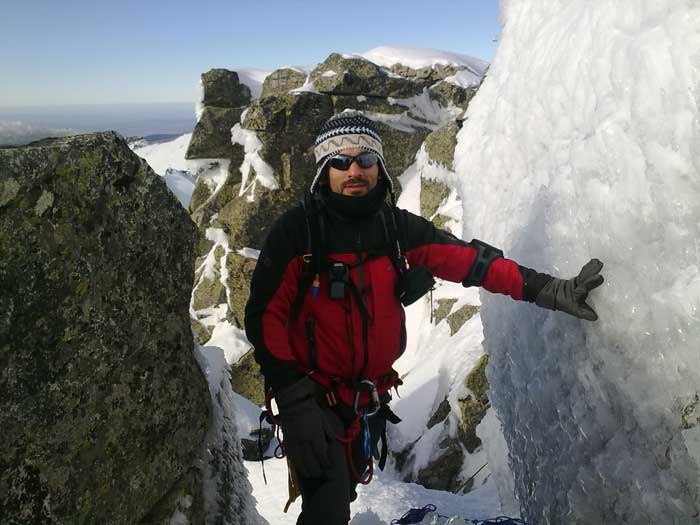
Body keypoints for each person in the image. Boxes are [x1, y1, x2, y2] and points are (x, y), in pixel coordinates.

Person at [244, 111, 604, 525]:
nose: (354, 170)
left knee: (339, 489)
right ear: (325, 170)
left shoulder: (395, 230)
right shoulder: (298, 234)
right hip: (312, 396)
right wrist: (293, 397)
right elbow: (264, 315)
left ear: (379, 165)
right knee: (327, 505)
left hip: (363, 398)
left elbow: (471, 261)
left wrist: (546, 289)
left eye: (365, 159)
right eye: (340, 161)